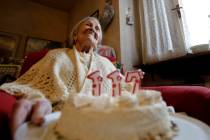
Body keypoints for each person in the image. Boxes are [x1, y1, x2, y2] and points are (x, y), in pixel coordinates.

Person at [0, 17, 144, 139]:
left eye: (97, 28)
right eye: (88, 24)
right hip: (58, 117)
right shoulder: (55, 55)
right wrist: (38, 99)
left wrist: (132, 83)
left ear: (98, 41)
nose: (92, 28)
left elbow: (125, 90)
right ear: (75, 35)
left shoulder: (108, 64)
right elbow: (31, 85)